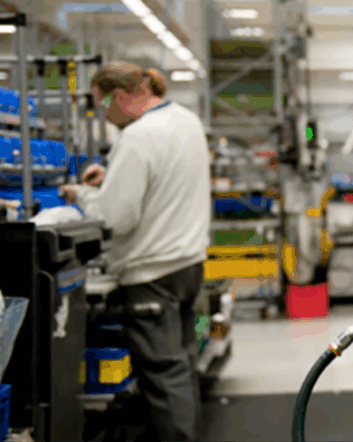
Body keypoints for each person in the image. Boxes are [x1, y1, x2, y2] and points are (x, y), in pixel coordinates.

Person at [59, 62, 211, 442]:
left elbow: (117, 218)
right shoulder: (186, 121)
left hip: (152, 274)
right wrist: (113, 180)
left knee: (163, 374)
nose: (104, 115)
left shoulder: (138, 136)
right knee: (181, 366)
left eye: (103, 105)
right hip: (188, 265)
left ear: (122, 96)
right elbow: (164, 180)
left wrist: (84, 195)